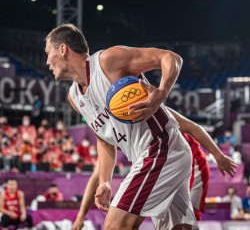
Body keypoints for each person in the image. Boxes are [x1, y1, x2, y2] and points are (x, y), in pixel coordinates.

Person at [45, 23, 199, 230]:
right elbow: (104, 140)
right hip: (154, 156)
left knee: (115, 226)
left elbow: (171, 58)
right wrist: (104, 182)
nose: (46, 61)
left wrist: (161, 93)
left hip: (161, 148)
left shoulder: (108, 61)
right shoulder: (74, 98)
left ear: (63, 49)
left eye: (48, 52)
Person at [71, 107, 237, 230]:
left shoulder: (147, 109)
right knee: (172, 223)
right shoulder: (110, 132)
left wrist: (219, 156)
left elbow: (193, 127)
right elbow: (97, 176)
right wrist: (80, 217)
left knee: (177, 220)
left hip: (190, 162)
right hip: (160, 162)